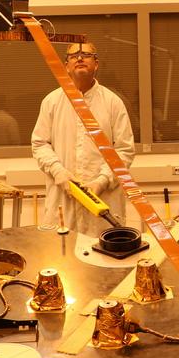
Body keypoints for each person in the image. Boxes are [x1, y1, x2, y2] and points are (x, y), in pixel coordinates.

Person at [31, 41, 136, 236]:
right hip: (63, 199)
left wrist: (102, 181)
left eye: (86, 54)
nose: (79, 58)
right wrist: (58, 171)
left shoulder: (113, 103)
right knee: (63, 258)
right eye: (74, 56)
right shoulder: (52, 102)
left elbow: (124, 150)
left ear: (96, 64)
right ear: (66, 65)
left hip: (104, 201)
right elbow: (39, 144)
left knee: (104, 258)